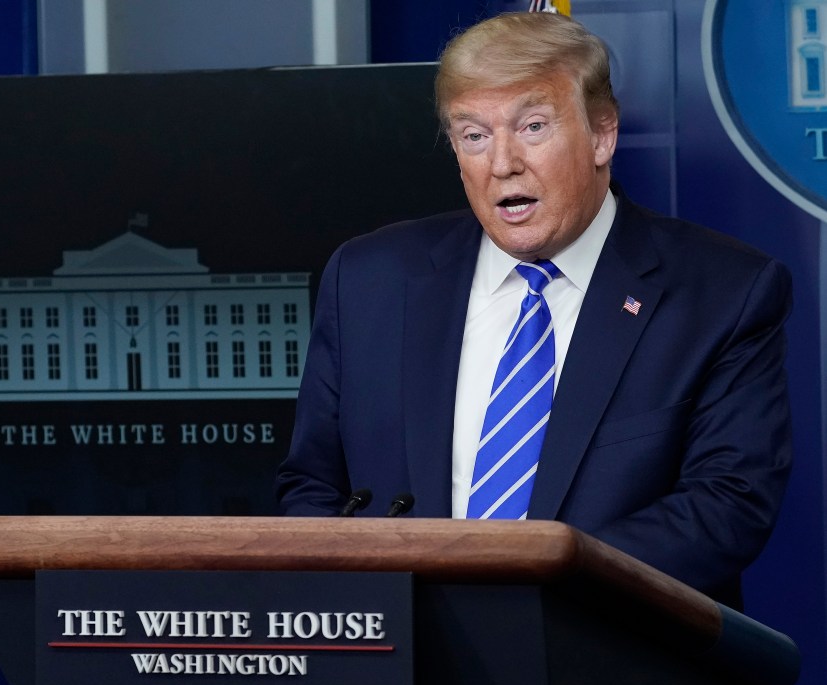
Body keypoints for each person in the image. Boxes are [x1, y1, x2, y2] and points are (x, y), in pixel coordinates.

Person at [275, 11, 792, 608]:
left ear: (602, 134)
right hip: (405, 664)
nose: (502, 163)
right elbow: (313, 486)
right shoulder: (370, 280)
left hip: (608, 657)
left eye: (533, 127)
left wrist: (526, 591)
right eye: (473, 135)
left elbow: (726, 506)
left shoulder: (723, 292)